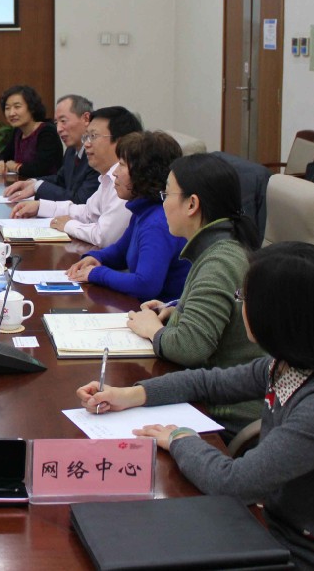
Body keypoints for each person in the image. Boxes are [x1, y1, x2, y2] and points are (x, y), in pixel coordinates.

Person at [77, 242, 314, 570]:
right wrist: (132, 395)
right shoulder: (288, 366)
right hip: (278, 528)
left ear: (278, 315)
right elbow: (208, 383)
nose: (241, 307)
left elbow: (233, 483)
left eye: (245, 298)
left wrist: (181, 439)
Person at [125, 153, 264, 433]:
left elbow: (190, 348)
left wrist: (153, 330)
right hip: (211, 394)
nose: (163, 202)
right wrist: (178, 309)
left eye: (167, 194)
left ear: (192, 204)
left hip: (225, 413)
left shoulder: (219, 262)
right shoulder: (218, 248)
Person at [65, 131, 188, 301]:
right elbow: (120, 252)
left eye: (122, 165)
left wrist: (97, 273)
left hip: (162, 314)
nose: (115, 172)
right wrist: (96, 258)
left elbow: (146, 285)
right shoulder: (143, 211)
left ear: (143, 173)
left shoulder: (157, 222)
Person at [11, 106, 142, 248]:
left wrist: (68, 225)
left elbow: (104, 237)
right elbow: (87, 213)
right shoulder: (107, 177)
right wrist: (41, 207)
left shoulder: (128, 180)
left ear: (121, 142)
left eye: (93, 136)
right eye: (86, 137)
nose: (87, 144)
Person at [2, 94, 100, 204]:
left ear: (86, 118)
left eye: (63, 121)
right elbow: (60, 180)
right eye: (56, 123)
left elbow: (80, 201)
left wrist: (37, 187)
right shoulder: (71, 151)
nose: (58, 129)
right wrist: (32, 182)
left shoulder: (98, 154)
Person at [0, 85, 62, 178]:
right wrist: (0, 162)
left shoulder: (47, 131)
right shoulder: (18, 131)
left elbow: (41, 169)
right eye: (7, 108)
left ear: (32, 108)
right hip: (24, 184)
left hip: (46, 185)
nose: (11, 113)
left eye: (17, 107)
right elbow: (4, 155)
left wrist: (16, 167)